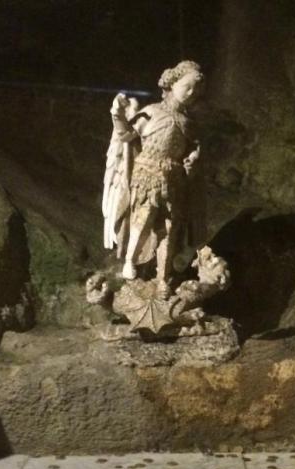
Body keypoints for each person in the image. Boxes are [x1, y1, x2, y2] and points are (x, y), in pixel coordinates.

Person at [102, 60, 205, 299]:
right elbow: (126, 135)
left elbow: (192, 148)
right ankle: (130, 261)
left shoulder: (189, 123)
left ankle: (162, 279)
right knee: (144, 218)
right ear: (172, 84)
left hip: (174, 179)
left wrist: (193, 158)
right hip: (147, 174)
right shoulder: (152, 112)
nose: (191, 94)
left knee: (169, 230)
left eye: (195, 90)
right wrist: (117, 114)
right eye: (186, 87)